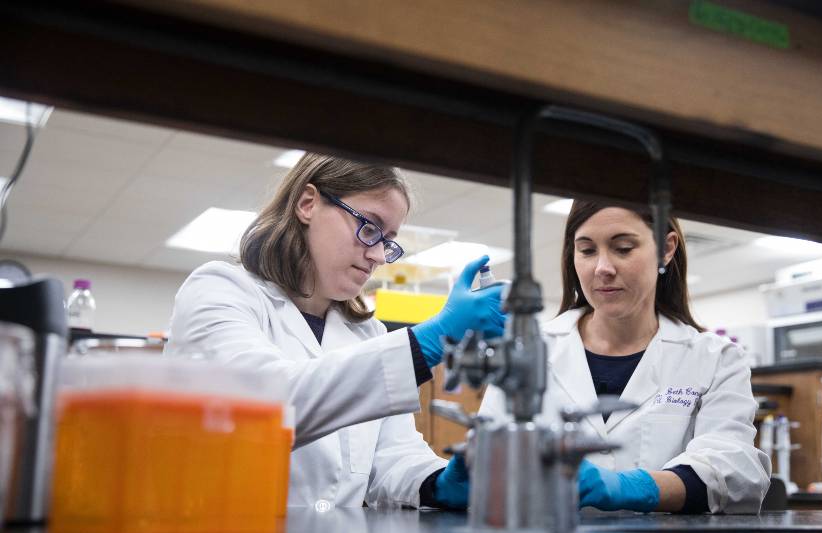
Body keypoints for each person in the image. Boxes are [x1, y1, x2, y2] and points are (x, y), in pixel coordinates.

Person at [166, 153, 502, 509]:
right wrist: (430, 340)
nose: (378, 256)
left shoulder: (366, 331)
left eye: (387, 241)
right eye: (369, 228)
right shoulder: (219, 289)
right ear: (308, 203)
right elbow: (263, 408)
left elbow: (392, 455)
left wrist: (439, 482)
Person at [479, 200, 771, 514]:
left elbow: (736, 473)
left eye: (623, 248)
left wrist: (634, 489)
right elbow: (486, 460)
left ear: (666, 249)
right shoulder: (527, 351)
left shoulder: (715, 358)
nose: (603, 268)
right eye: (587, 251)